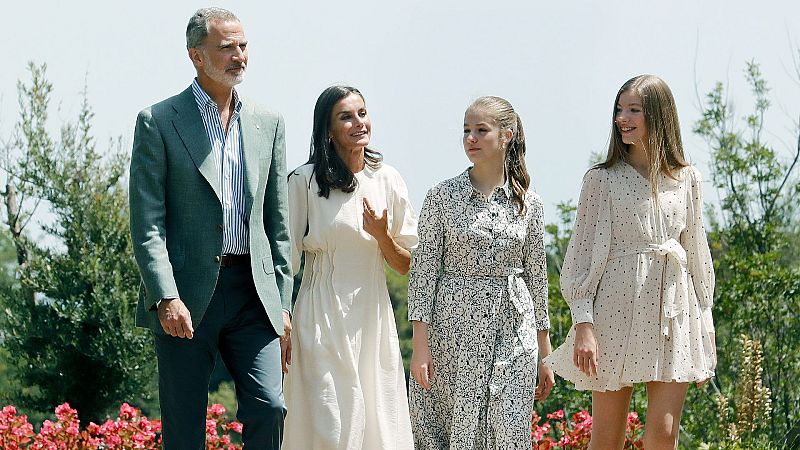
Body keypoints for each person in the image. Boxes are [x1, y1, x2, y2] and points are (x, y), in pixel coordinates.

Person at [129, 8, 292, 449]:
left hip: (254, 293)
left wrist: (283, 304)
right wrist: (165, 296)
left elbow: (277, 225)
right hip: (185, 296)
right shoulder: (158, 121)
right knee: (184, 429)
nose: (239, 55)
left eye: (243, 46)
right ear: (196, 55)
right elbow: (147, 224)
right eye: (226, 47)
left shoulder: (269, 123)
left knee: (270, 407)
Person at [543, 74, 717, 450]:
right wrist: (583, 324)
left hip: (674, 312)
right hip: (614, 310)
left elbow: (698, 258)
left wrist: (706, 329)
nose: (622, 118)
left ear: (659, 114)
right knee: (607, 438)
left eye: (634, 110)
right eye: (619, 109)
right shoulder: (601, 180)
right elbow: (579, 258)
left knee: (664, 434)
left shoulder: (688, 179)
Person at [407, 96, 554, 450]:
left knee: (510, 432)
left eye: (481, 130)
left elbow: (537, 277)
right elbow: (423, 273)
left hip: (514, 330)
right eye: (466, 131)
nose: (470, 138)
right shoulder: (441, 197)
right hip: (452, 332)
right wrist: (419, 346)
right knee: (456, 433)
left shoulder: (530, 204)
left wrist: (545, 352)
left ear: (506, 135)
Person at [282, 85, 417, 450]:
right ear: (328, 130)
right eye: (346, 117)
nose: (359, 122)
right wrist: (281, 318)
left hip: (372, 318)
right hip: (319, 316)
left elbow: (406, 265)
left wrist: (382, 235)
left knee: (378, 427)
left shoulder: (388, 179)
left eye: (362, 113)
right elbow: (285, 261)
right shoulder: (303, 182)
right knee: (330, 424)